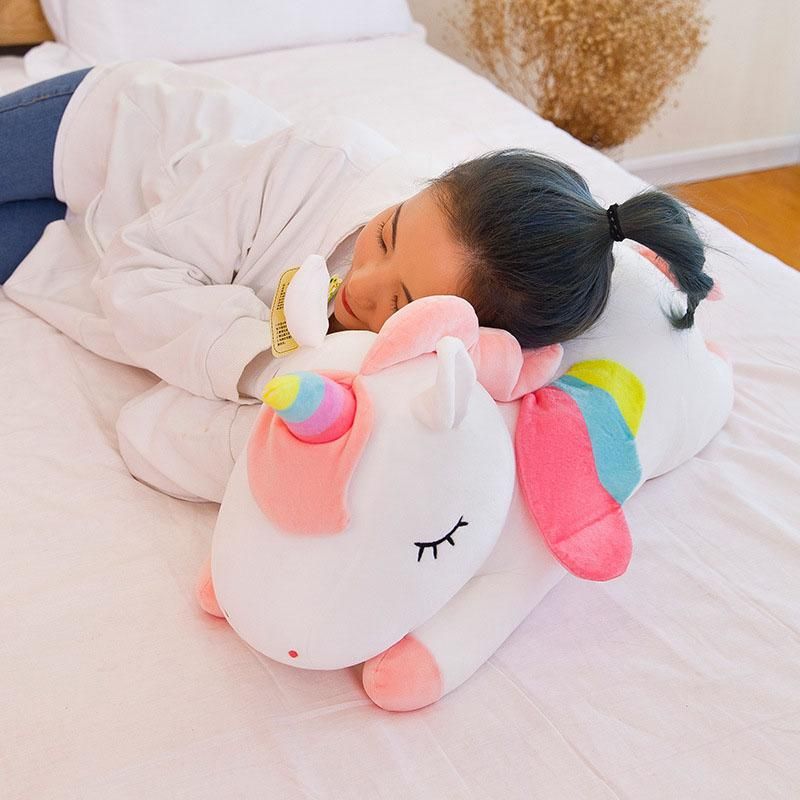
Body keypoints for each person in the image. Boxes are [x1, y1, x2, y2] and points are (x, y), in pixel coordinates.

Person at [0, 60, 714, 501]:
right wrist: (265, 360)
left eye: (401, 301)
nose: (362, 284)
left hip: (71, 252)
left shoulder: (406, 376)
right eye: (387, 233)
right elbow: (140, 270)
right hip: (118, 139)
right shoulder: (321, 156)